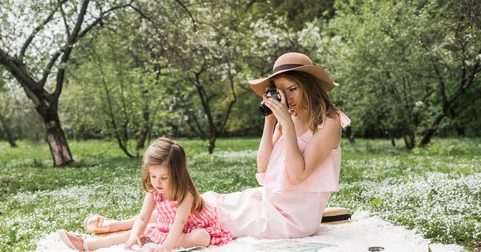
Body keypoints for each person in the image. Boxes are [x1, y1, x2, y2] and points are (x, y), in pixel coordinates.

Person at [81, 52, 350, 239]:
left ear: (309, 87)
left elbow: (299, 174)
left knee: (206, 216)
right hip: (270, 201)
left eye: (292, 89)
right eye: (281, 91)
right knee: (206, 202)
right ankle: (126, 224)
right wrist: (270, 121)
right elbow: (263, 167)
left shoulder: (329, 123)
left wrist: (287, 127)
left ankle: (125, 231)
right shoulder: (287, 119)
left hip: (291, 217)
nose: (287, 98)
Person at [59, 137, 231, 252]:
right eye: (153, 176)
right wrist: (134, 235)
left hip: (190, 227)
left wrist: (166, 246)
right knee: (136, 232)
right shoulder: (154, 192)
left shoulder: (186, 194)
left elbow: (180, 223)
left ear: (178, 175)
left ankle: (153, 240)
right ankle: (87, 244)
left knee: (201, 237)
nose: (157, 182)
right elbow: (143, 218)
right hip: (167, 224)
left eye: (164, 178)